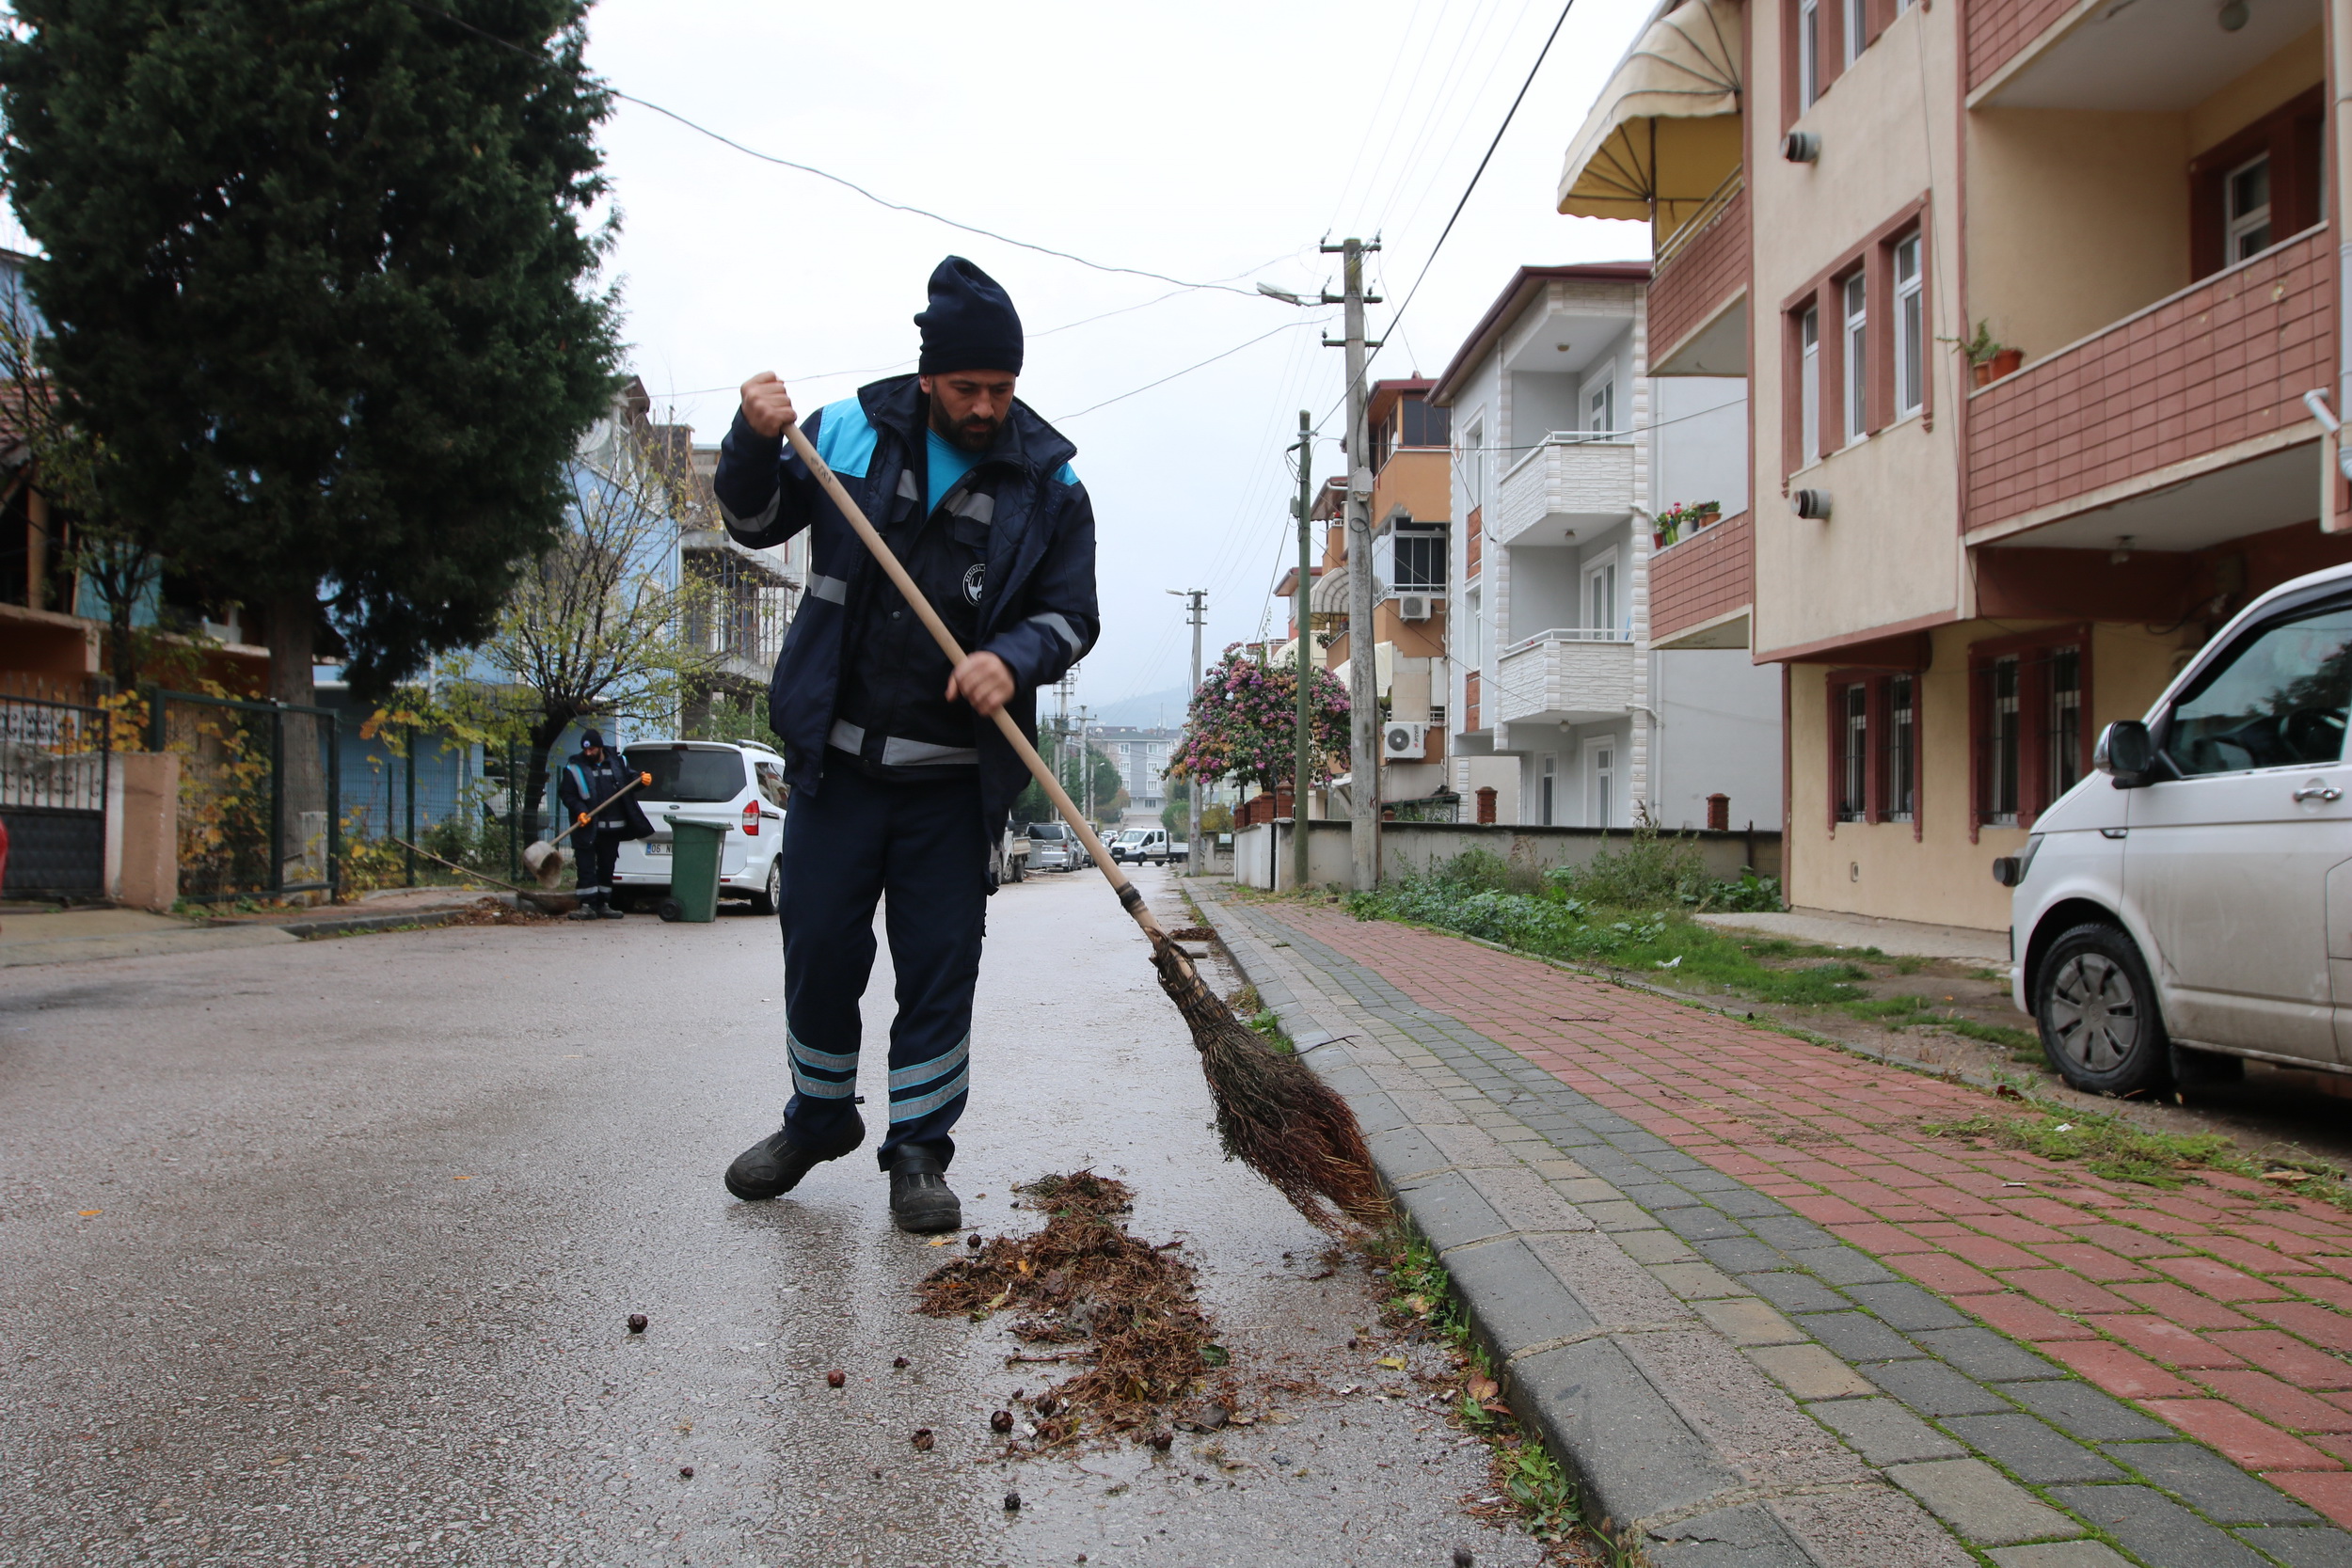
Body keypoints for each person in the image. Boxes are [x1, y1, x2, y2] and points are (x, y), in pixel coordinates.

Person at [710, 256, 1098, 1233]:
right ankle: (819, 1118)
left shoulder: (1050, 483)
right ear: (928, 375)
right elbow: (752, 518)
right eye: (967, 387)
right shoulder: (845, 431)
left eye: (1001, 389)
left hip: (950, 786)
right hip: (837, 768)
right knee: (820, 952)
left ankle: (918, 1149)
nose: (985, 406)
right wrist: (751, 439)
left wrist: (1009, 659)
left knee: (937, 965)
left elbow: (1072, 615)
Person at [555, 729, 652, 921]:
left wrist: (642, 781)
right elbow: (567, 794)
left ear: (599, 747)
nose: (588, 753)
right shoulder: (574, 766)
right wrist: (580, 810)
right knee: (586, 867)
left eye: (592, 749)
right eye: (586, 750)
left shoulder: (618, 762)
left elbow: (630, 781)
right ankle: (587, 905)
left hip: (612, 829)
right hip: (587, 827)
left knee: (607, 867)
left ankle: (603, 904)